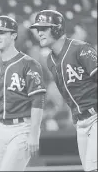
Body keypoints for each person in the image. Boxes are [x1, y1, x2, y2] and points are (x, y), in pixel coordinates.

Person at [30, 10, 97, 171]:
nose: (39, 33)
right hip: (81, 121)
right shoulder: (50, 60)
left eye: (43, 28)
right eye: (38, 29)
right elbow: (66, 92)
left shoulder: (81, 49)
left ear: (57, 28)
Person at [0, 16, 46, 171]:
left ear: (14, 35)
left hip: (22, 128)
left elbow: (38, 99)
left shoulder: (29, 64)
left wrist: (34, 134)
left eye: (2, 32)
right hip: (0, 129)